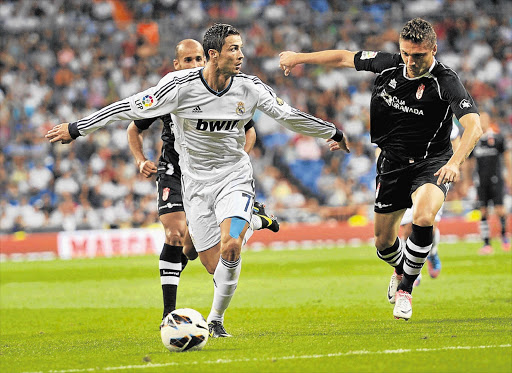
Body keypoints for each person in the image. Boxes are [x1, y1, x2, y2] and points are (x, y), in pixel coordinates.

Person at [46, 23, 350, 336]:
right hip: (195, 186)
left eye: (241, 48)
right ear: (213, 54)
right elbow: (128, 109)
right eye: (234, 49)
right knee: (210, 264)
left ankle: (216, 320)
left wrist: (333, 132)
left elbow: (289, 115)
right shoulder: (179, 88)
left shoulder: (250, 87)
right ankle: (255, 222)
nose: (241, 55)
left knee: (232, 246)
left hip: (234, 177)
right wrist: (78, 128)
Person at [279, 17, 482, 320]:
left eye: (419, 55)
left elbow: (474, 127)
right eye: (406, 53)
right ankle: (401, 269)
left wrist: (455, 163)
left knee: (424, 216)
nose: (411, 61)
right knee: (384, 243)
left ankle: (406, 290)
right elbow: (344, 57)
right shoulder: (388, 64)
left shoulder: (446, 81)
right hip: (391, 164)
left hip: (432, 163)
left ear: (434, 49)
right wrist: (298, 58)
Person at [126, 39, 279, 322]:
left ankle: (254, 220)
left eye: (198, 59)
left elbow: (250, 131)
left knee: (194, 251)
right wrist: (140, 160)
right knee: (174, 234)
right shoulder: (170, 93)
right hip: (175, 170)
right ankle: (168, 314)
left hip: (215, 177)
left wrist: (233, 165)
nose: (195, 65)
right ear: (176, 65)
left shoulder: (222, 92)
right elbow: (133, 128)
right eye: (188, 60)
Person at [400, 121, 462, 287]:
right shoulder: (401, 109)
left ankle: (432, 252)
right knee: (407, 227)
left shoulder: (441, 113)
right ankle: (414, 268)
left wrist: (455, 165)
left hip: (433, 174)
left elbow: (455, 139)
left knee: (428, 225)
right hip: (406, 174)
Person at [467, 112, 511, 255]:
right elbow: (470, 162)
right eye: (480, 119)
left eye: (485, 119)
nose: (482, 122)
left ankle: (504, 236)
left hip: (496, 179)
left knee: (500, 210)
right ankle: (487, 244)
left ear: (489, 121)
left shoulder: (497, 138)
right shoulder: (475, 140)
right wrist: (467, 180)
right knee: (483, 211)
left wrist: (509, 175)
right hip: (481, 181)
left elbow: (506, 156)